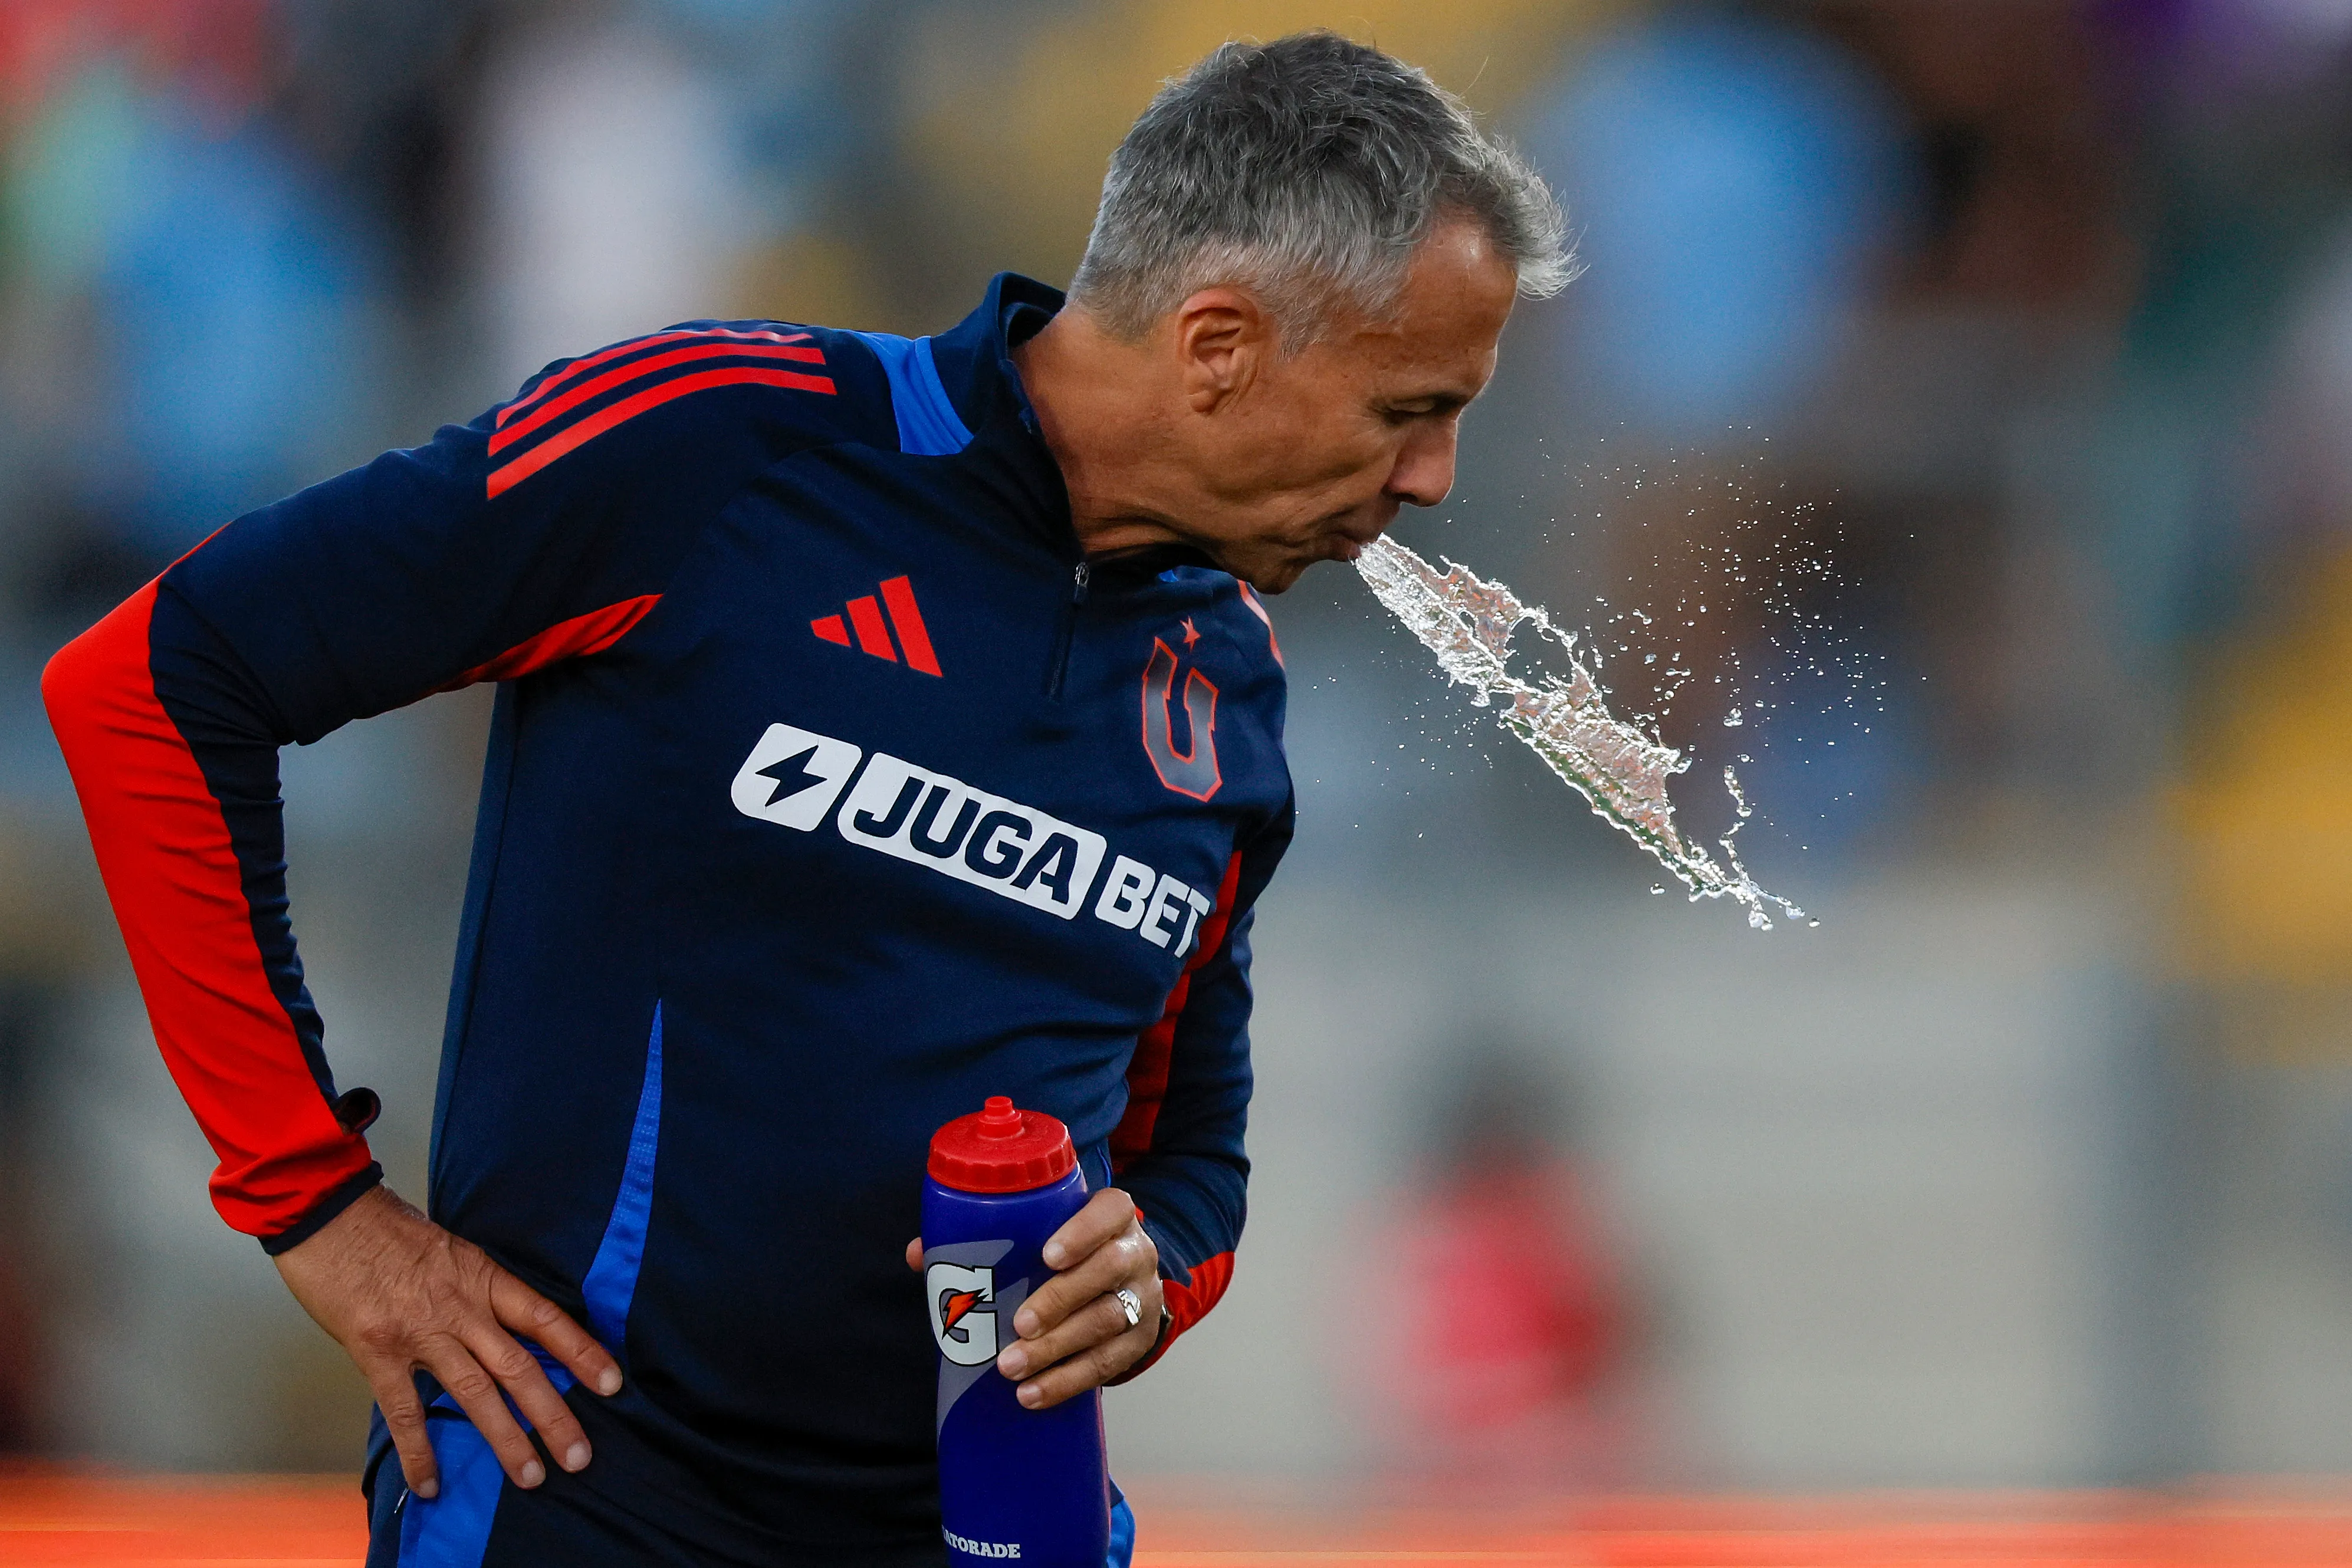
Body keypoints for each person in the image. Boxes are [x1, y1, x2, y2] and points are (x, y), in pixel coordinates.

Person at [42, 31, 1568, 1568]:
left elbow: (1190, 1163)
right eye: (1406, 409)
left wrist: (1146, 1275)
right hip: (580, 1503)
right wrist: (318, 1207)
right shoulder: (725, 444)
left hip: (990, 1539)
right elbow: (152, 683)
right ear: (1220, 344)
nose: (1434, 476)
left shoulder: (1229, 682)